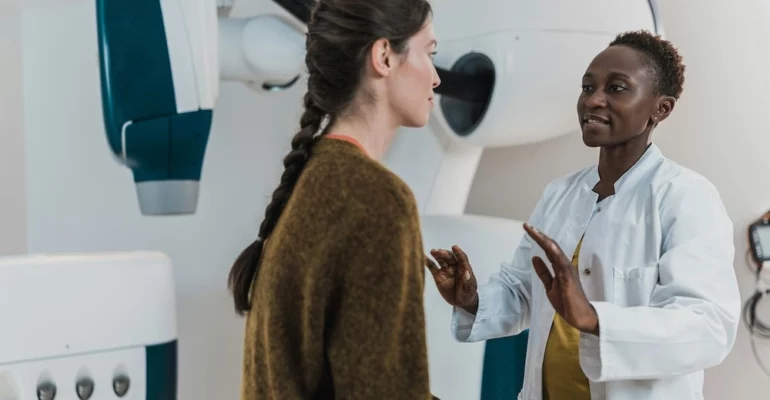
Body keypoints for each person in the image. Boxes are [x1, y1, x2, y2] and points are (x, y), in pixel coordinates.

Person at [426, 30, 741, 400]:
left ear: (661, 108)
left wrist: (594, 318)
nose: (593, 100)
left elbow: (708, 328)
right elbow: (523, 290)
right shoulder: (559, 194)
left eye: (616, 88)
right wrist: (472, 300)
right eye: (587, 87)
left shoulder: (686, 197)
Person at [226, 0, 441, 398]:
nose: (436, 78)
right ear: (383, 57)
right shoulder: (378, 200)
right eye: (429, 53)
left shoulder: (310, 179)